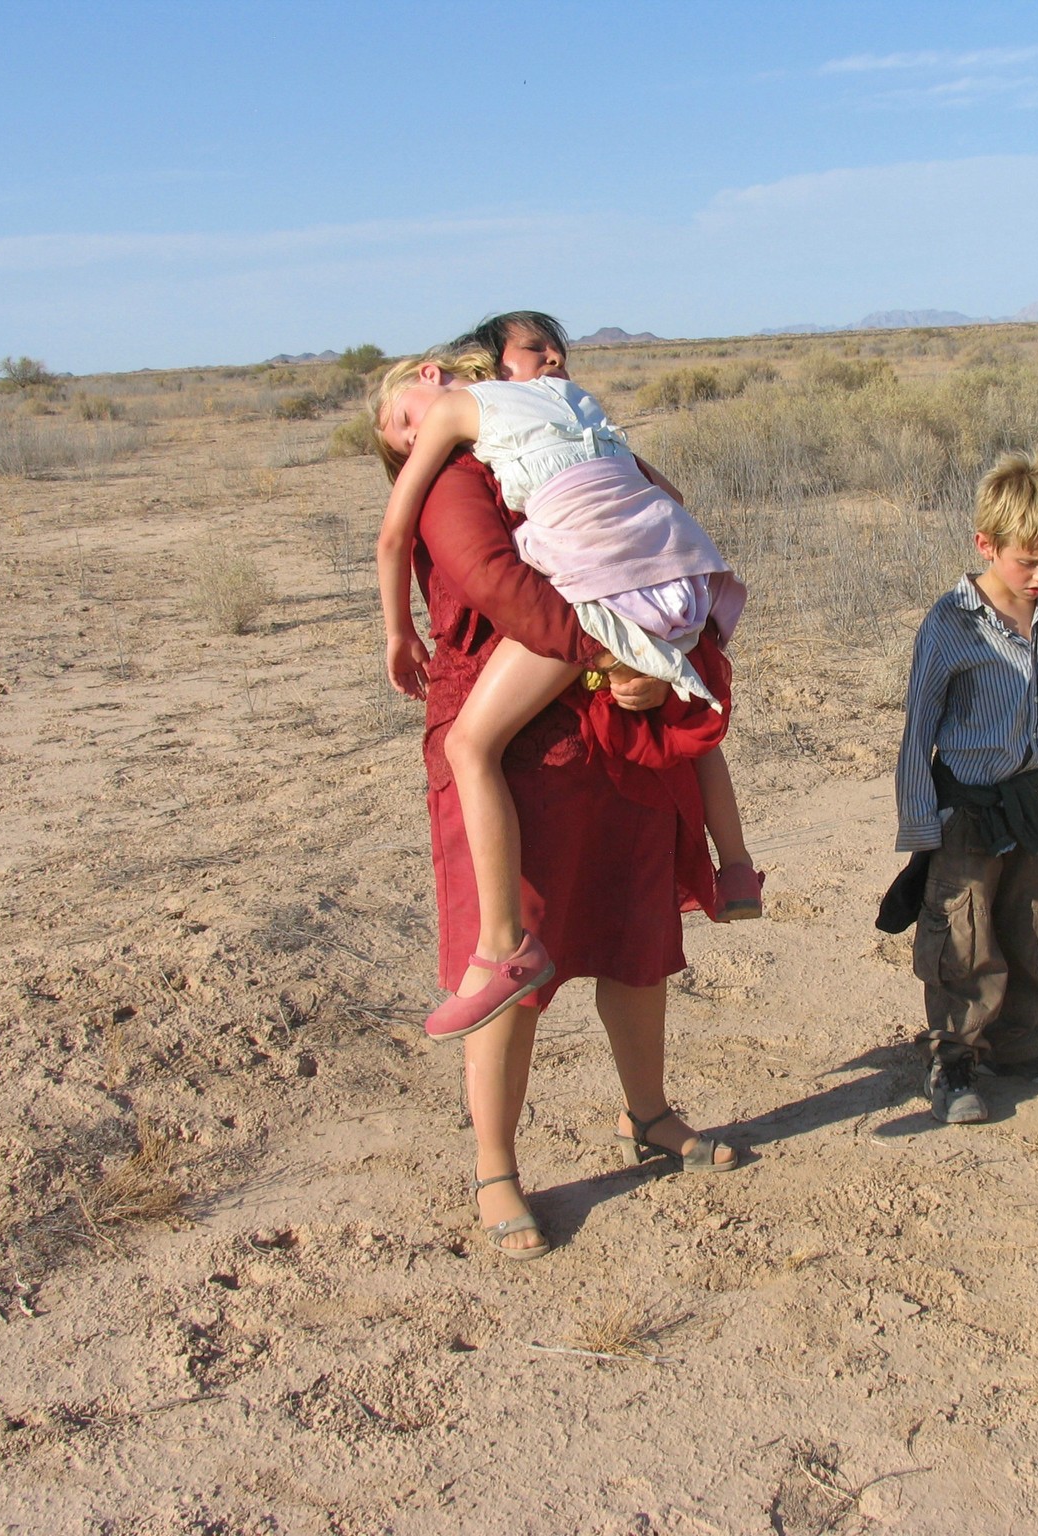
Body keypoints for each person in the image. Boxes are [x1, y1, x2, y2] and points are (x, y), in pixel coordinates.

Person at [406, 345, 741, 1258]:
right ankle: (496, 1168)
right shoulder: (451, 482)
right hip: (526, 763)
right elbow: (495, 584)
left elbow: (668, 528)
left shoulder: (571, 450)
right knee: (512, 962)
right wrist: (616, 654)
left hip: (614, 743)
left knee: (635, 943)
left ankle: (650, 1116)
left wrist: (652, 661)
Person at [371, 314, 761, 1042]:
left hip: (596, 593)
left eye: (404, 424)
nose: (412, 440)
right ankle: (735, 868)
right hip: (682, 572)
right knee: (690, 718)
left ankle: (502, 947)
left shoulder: (461, 415)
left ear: (432, 376)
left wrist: (397, 633)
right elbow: (664, 491)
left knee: (469, 747)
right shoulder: (578, 403)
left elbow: (401, 538)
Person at [891, 450, 1038, 1125]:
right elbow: (918, 729)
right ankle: (954, 1062)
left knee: (1029, 924)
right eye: (1026, 560)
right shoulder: (951, 624)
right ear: (986, 544)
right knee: (963, 938)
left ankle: (1021, 1043)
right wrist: (922, 824)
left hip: (1032, 802)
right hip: (968, 810)